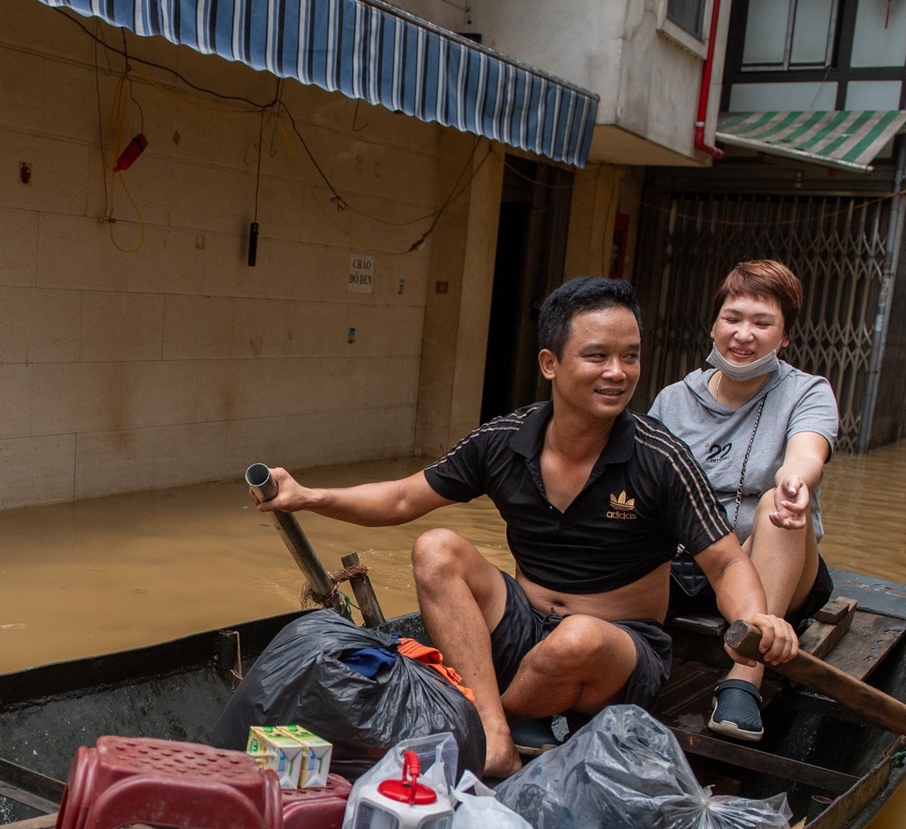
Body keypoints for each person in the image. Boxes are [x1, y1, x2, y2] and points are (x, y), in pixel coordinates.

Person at [254, 276, 799, 779]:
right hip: (524, 627)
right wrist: (307, 496)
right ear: (550, 363)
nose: (618, 372)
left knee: (578, 636)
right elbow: (401, 498)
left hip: (614, 654)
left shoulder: (661, 458)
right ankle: (496, 732)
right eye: (597, 356)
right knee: (435, 547)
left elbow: (726, 562)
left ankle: (481, 710)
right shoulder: (504, 440)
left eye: (629, 357)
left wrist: (756, 618)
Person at [649, 259, 838, 743]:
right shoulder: (673, 399)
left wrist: (797, 480)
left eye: (762, 322)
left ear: (785, 336)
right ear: (714, 324)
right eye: (733, 318)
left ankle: (744, 677)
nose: (743, 334)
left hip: (776, 563)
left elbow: (807, 450)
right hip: (688, 566)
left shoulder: (806, 392)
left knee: (778, 504)